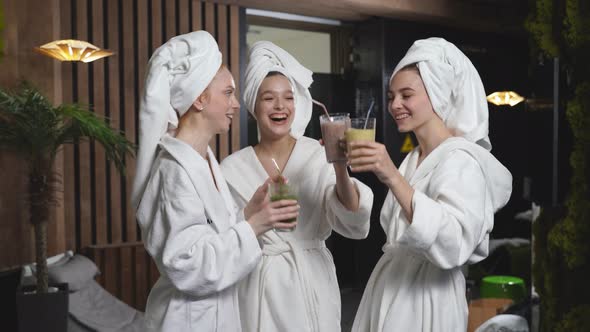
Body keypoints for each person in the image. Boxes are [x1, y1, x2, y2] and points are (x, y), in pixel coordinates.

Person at [131, 31, 298, 332]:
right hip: (187, 320)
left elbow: (209, 236)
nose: (235, 104)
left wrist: (248, 213)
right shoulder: (174, 170)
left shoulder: (204, 158)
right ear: (199, 97)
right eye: (228, 93)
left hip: (216, 314)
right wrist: (255, 226)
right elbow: (187, 264)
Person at [349, 37, 513, 331]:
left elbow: (453, 243)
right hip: (389, 288)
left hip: (429, 300)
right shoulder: (413, 158)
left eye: (406, 95)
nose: (395, 104)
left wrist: (392, 176)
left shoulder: (462, 161)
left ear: (437, 94)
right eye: (391, 96)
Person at [220, 41, 374, 332]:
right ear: (253, 105)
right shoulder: (231, 168)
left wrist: (339, 165)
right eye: (269, 98)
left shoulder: (316, 155)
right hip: (257, 285)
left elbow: (352, 218)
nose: (280, 106)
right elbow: (225, 240)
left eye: (288, 98)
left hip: (311, 283)